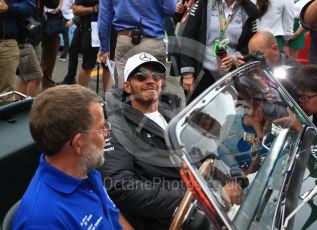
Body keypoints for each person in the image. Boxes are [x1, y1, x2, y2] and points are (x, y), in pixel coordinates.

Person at [100, 52, 245, 229]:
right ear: (127, 87)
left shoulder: (172, 111)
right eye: (141, 76)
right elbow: (121, 186)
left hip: (210, 198)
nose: (150, 80)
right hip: (178, 216)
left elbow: (210, 144)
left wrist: (234, 177)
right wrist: (198, 196)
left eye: (156, 75)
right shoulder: (117, 126)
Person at [12, 85, 126, 229]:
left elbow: (113, 218)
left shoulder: (86, 172)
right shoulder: (43, 221)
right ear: (79, 143)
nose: (106, 134)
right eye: (101, 128)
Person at [180, 0, 261, 104]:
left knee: (223, 116)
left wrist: (235, 58)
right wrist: (188, 74)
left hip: (228, 78)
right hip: (200, 74)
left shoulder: (249, 9)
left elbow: (248, 46)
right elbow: (188, 36)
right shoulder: (204, 3)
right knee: (196, 116)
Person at [97, 0, 176, 88]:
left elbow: (104, 15)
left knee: (124, 90)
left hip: (125, 41)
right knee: (154, 94)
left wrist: (104, 48)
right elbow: (170, 9)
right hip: (152, 41)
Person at [236, 31, 302, 94]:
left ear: (275, 49)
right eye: (252, 55)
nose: (255, 59)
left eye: (259, 54)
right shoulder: (258, 67)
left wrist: (258, 76)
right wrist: (244, 73)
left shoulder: (294, 69)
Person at [0, 0, 35, 104]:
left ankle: (3, 115)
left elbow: (29, 8)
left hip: (7, 42)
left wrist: (9, 8)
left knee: (5, 93)